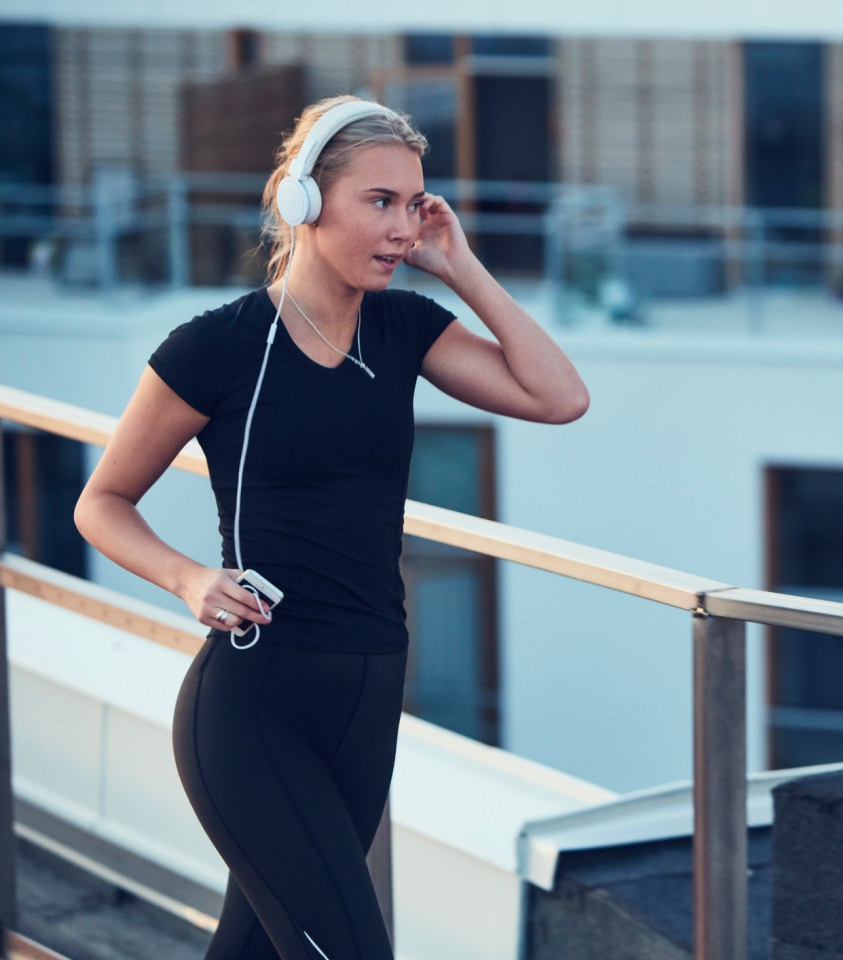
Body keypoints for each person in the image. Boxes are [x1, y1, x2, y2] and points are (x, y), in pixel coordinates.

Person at [73, 94, 588, 960]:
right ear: (305, 202)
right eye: (379, 202)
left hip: (369, 691)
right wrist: (190, 578)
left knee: (260, 952)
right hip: (254, 703)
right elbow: (102, 502)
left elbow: (559, 397)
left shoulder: (406, 330)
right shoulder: (217, 348)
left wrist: (458, 266)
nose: (401, 228)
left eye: (414, 205)